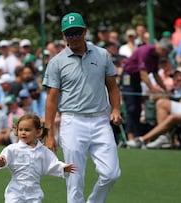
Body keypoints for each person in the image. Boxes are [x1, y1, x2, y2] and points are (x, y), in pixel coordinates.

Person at [42, 12, 122, 203]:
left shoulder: (102, 55)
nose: (74, 37)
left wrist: (116, 109)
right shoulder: (56, 62)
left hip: (100, 120)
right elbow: (52, 100)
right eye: (69, 34)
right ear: (63, 36)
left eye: (77, 32)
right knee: (74, 179)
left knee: (112, 173)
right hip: (72, 121)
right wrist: (49, 133)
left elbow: (112, 87)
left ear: (85, 31)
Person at [0, 114, 76, 203]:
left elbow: (53, 163)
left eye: (27, 130)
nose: (23, 132)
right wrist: (1, 162)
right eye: (21, 130)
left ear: (38, 132)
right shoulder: (12, 149)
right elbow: (2, 160)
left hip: (34, 192)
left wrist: (63, 168)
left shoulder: (43, 151)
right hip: (15, 191)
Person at [122, 38, 173, 140]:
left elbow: (155, 74)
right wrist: (152, 89)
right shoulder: (145, 51)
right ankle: (130, 136)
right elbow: (143, 74)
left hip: (136, 80)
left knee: (138, 108)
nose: (166, 56)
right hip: (128, 77)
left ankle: (137, 136)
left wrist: (165, 89)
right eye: (166, 53)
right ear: (162, 49)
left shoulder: (156, 56)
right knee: (131, 107)